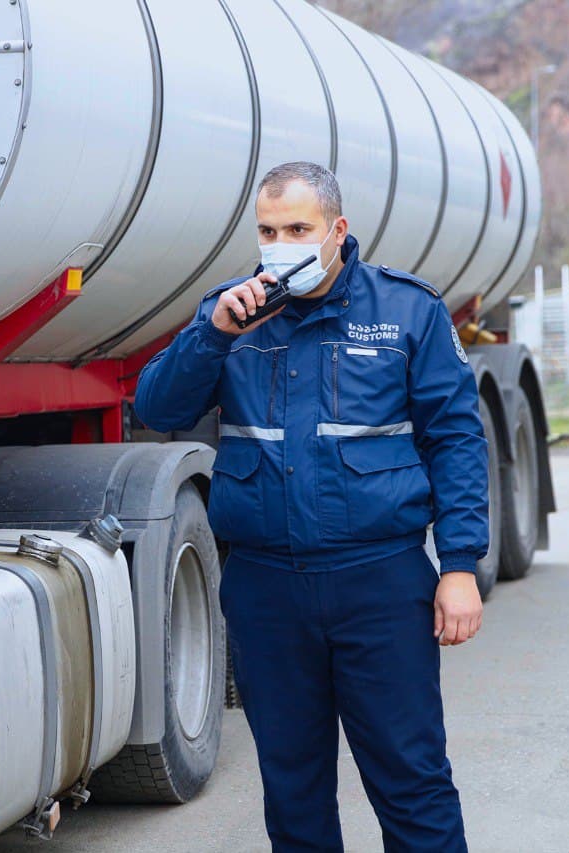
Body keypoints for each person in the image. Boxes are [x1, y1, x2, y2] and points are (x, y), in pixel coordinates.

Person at [134, 161, 488, 852]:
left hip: (380, 581)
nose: (282, 243)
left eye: (298, 228)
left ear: (337, 230)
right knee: (293, 791)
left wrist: (460, 564)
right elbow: (157, 408)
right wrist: (214, 332)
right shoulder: (230, 313)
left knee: (411, 782)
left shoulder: (406, 309)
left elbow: (455, 439)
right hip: (267, 587)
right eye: (268, 230)